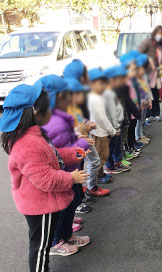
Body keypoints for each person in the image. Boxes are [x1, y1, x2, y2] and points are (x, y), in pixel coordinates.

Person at [0, 82, 88, 272]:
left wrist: (74, 154)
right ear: (34, 113)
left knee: (41, 244)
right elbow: (45, 179)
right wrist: (71, 178)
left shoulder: (32, 135)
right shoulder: (27, 144)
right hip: (41, 205)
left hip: (41, 202)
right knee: (40, 248)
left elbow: (52, 156)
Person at [40, 75, 91, 256]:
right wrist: (83, 144)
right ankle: (57, 242)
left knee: (74, 200)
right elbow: (58, 152)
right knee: (65, 206)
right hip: (64, 173)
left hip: (71, 170)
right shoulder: (55, 122)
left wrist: (79, 139)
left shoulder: (57, 116)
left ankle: (67, 235)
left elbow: (66, 142)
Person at [65, 78, 110, 198]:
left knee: (85, 162)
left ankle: (85, 188)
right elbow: (69, 130)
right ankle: (88, 189)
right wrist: (85, 130)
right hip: (78, 141)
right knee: (84, 163)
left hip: (82, 140)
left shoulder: (74, 106)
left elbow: (81, 120)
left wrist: (89, 125)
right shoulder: (67, 109)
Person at [87, 68, 117, 184]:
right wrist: (112, 130)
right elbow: (102, 118)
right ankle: (98, 176)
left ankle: (100, 173)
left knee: (100, 155)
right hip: (101, 132)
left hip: (97, 131)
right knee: (102, 156)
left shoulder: (92, 96)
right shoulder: (97, 98)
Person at [103, 65, 132, 174]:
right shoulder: (107, 93)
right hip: (111, 126)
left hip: (117, 124)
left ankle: (117, 163)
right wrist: (115, 128)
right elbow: (109, 113)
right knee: (111, 147)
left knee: (117, 145)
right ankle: (109, 167)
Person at [139, 25, 162, 122]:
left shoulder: (160, 46)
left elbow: (160, 61)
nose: (160, 35)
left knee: (155, 94)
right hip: (147, 74)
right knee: (147, 94)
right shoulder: (147, 43)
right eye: (159, 33)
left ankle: (156, 114)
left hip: (156, 74)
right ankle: (147, 116)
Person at [135, 53, 153, 145]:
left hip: (145, 99)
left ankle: (142, 135)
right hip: (140, 101)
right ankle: (138, 137)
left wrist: (149, 100)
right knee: (139, 120)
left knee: (142, 120)